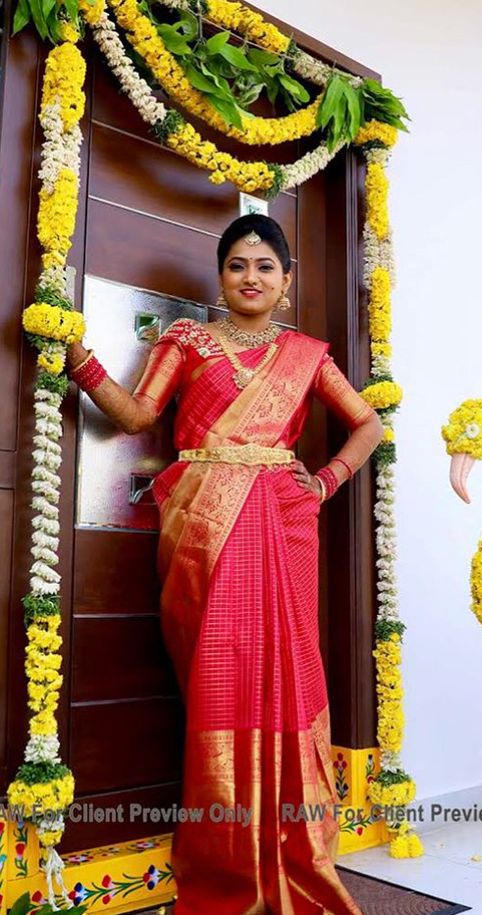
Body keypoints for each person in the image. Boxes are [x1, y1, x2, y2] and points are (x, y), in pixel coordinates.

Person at [66, 214, 383, 914]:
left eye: (265, 266)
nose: (251, 277)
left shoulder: (305, 353)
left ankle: (292, 841)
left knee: (286, 668)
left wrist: (326, 479)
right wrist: (78, 357)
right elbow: (136, 415)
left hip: (282, 520)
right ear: (220, 275)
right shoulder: (188, 340)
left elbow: (370, 422)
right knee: (218, 672)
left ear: (286, 281)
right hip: (203, 524)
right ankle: (228, 850)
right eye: (238, 264)